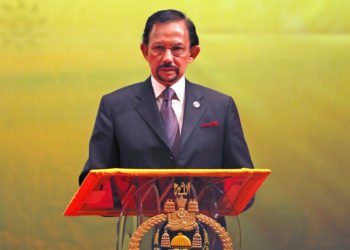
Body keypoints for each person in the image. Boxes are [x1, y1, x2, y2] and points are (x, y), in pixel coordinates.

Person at [79, 9, 253, 187]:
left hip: (204, 215)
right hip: (142, 215)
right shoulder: (115, 106)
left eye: (177, 49)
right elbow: (94, 183)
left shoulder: (221, 107)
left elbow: (243, 184)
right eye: (159, 48)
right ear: (145, 51)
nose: (167, 58)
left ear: (192, 53)